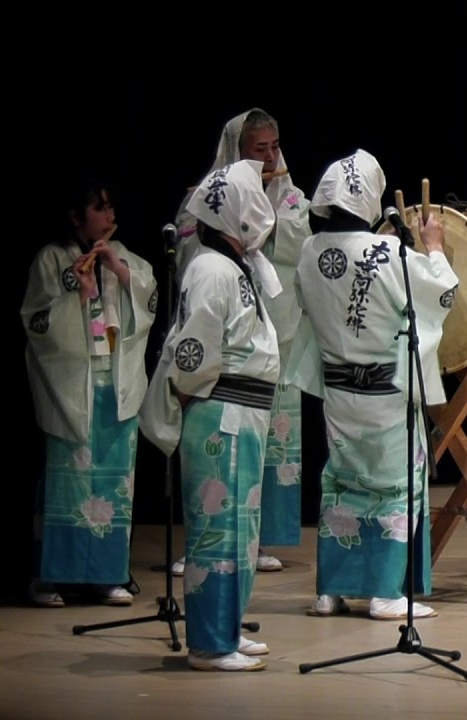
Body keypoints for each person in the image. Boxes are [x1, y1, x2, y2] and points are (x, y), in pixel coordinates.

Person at [285, 149, 457, 620]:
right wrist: (435, 246)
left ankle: (332, 590)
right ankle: (384, 591)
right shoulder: (388, 253)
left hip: (338, 389)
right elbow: (441, 291)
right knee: (394, 484)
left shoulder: (308, 251)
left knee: (342, 480)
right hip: (384, 390)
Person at [139, 159, 279, 671]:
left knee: (239, 528)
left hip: (241, 412)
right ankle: (209, 642)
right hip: (222, 412)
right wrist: (196, 394)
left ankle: (226, 627)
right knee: (218, 528)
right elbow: (192, 352)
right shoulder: (209, 268)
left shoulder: (228, 266)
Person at [169, 108, 310, 577]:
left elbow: (299, 246)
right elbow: (190, 254)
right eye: (258, 150)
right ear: (237, 152)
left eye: (275, 147)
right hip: (222, 365)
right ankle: (204, 552)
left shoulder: (290, 199)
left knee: (265, 447)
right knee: (217, 466)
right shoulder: (206, 207)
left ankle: (255, 540)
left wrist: (268, 209)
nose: (270, 158)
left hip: (270, 340)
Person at [20, 178, 158, 607]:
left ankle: (108, 574)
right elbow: (36, 322)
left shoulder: (127, 258)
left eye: (110, 206)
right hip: (72, 387)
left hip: (115, 383)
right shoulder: (52, 260)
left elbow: (149, 301)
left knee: (114, 482)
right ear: (77, 217)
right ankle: (52, 577)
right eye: (99, 207)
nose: (108, 214)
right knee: (70, 482)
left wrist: (118, 271)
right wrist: (77, 297)